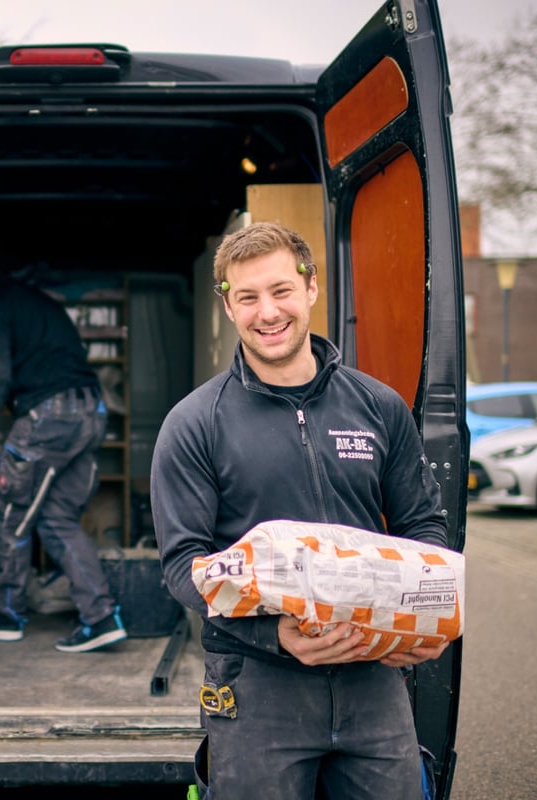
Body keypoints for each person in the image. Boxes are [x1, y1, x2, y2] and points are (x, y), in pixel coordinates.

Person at [150, 222, 450, 799]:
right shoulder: (193, 424)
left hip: (372, 680)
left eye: (281, 290)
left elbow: (422, 526)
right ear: (228, 306)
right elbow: (183, 564)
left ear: (311, 288)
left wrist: (428, 615)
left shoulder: (378, 407)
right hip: (257, 687)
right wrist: (275, 634)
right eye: (248, 297)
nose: (268, 312)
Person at [0, 266, 128, 653]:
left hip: (49, 414)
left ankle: (2, 613)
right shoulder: (40, 302)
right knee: (57, 518)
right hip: (91, 412)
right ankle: (100, 618)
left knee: (10, 514)